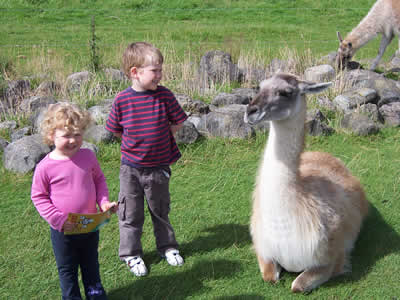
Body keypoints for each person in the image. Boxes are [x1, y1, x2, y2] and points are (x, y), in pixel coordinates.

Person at [105, 42, 188, 277]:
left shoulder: (165, 95)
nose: (159, 75)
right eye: (155, 71)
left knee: (160, 210)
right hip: (130, 169)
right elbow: (115, 129)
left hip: (159, 168)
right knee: (130, 213)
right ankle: (131, 254)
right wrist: (136, 142)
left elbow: (179, 121)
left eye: (160, 70)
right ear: (135, 72)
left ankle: (168, 248)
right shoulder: (122, 100)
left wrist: (161, 136)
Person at [31, 102, 117, 300]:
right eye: (66, 135)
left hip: (89, 226)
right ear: (52, 135)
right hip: (63, 232)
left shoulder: (88, 156)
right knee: (68, 271)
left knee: (91, 266)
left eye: (77, 134)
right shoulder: (45, 166)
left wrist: (103, 203)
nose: (73, 140)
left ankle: (95, 295)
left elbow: (99, 180)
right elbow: (39, 196)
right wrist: (58, 220)